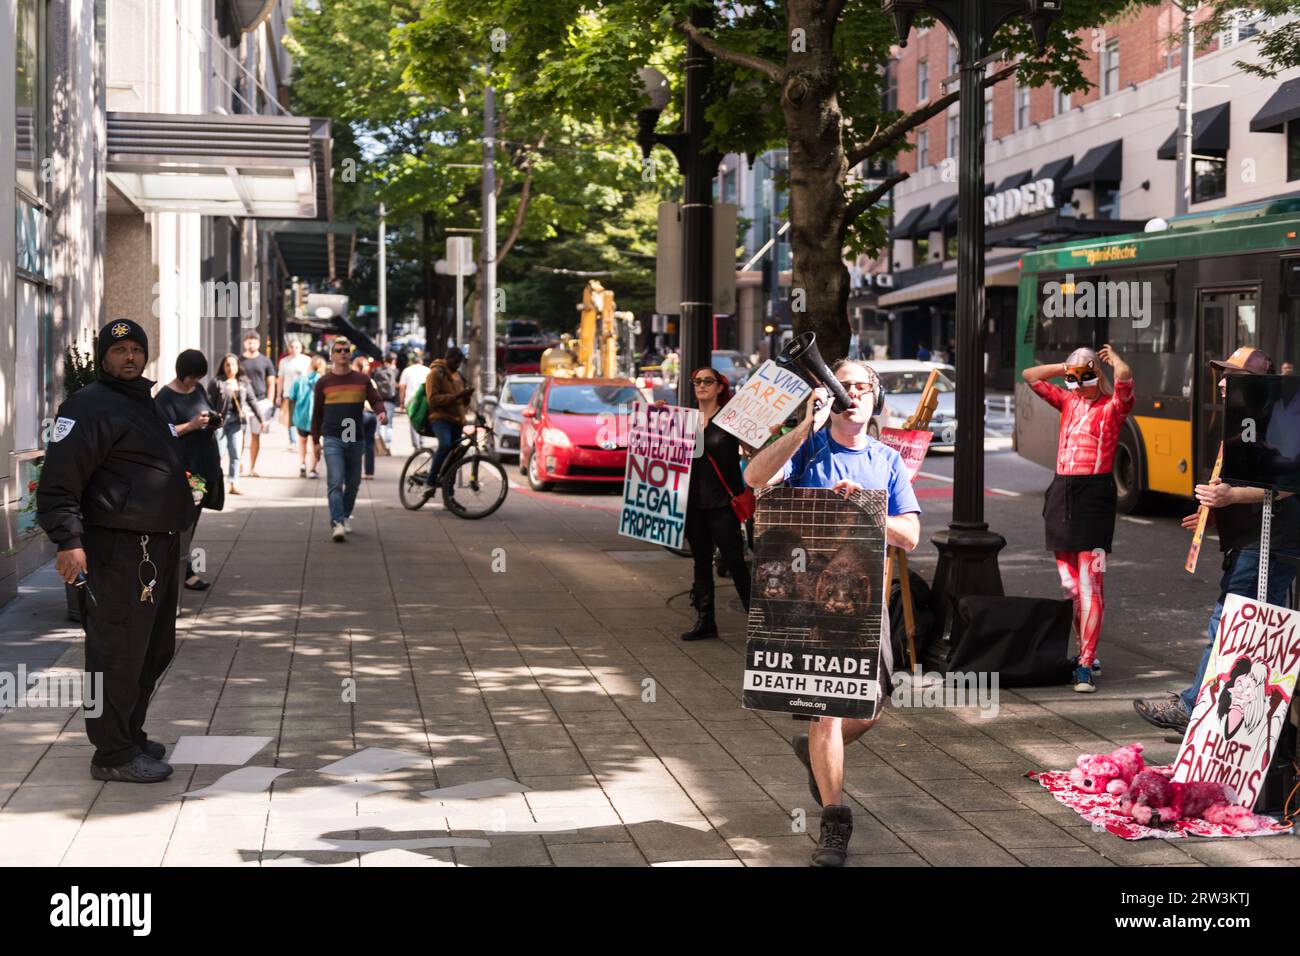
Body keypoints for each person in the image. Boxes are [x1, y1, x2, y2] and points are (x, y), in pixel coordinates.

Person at [744, 359, 921, 868]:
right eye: (846, 386)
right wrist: (807, 424)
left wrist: (868, 510)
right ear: (830, 394)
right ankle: (834, 823)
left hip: (865, 607)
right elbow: (756, 478)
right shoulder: (809, 449)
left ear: (875, 399)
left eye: (865, 387)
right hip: (811, 604)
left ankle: (818, 754)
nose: (856, 395)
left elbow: (909, 534)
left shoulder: (887, 460)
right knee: (827, 710)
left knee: (870, 707)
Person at [36, 319, 196, 783]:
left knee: (152, 648)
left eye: (136, 349)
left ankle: (128, 732)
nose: (129, 357)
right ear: (104, 356)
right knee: (115, 652)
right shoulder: (85, 407)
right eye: (119, 349)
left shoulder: (142, 402)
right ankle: (111, 753)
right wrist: (68, 540)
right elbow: (58, 482)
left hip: (157, 549)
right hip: (117, 551)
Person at [1134, 347, 1300, 734]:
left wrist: (1229, 498)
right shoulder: (1246, 417)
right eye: (1223, 375)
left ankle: (1198, 709)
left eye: (1231, 376)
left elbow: (1289, 485)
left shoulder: (1282, 419)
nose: (1222, 383)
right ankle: (1220, 713)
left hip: (1271, 542)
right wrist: (1214, 514)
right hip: (1255, 539)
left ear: (1254, 382)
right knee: (1245, 627)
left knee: (1233, 624)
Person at [1021, 344, 1133, 693]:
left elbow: (1125, 382)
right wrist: (1067, 367)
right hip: (1062, 494)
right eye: (1072, 378)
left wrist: (1110, 364)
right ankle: (1087, 654)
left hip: (1094, 498)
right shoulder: (1067, 401)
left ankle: (1085, 661)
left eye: (1083, 376)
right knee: (1070, 588)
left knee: (1090, 585)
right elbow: (1029, 376)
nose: (1077, 383)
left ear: (1096, 374)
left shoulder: (1112, 407)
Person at [681, 367, 752, 641]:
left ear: (720, 387)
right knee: (700, 562)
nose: (701, 386)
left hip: (723, 504)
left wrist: (765, 432)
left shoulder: (730, 418)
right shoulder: (684, 420)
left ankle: (757, 622)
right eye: (697, 381)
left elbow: (752, 446)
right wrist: (658, 416)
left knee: (735, 561)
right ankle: (705, 620)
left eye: (707, 381)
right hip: (694, 505)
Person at [155, 349, 224, 591]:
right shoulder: (165, 397)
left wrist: (214, 421)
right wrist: (192, 425)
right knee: (183, 523)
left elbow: (208, 411)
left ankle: (180, 568)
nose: (195, 382)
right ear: (182, 373)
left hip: (204, 465)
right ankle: (181, 571)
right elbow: (162, 433)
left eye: (199, 377)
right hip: (183, 469)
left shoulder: (199, 390)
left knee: (191, 522)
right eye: (192, 377)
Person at [311, 337, 388, 541]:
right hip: (332, 436)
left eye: (346, 349)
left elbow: (376, 399)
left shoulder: (361, 380)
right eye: (339, 350)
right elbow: (317, 413)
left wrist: (381, 412)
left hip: (355, 435)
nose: (343, 353)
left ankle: (344, 516)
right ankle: (337, 522)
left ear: (351, 353)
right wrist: (314, 442)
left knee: (352, 483)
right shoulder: (323, 382)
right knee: (335, 481)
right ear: (332, 355)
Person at [208, 354, 266, 496]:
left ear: (238, 366)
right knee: (219, 454)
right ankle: (215, 484)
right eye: (227, 365)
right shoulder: (216, 382)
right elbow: (208, 402)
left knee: (235, 454)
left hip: (237, 423)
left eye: (233, 364)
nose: (230, 367)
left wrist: (261, 419)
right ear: (223, 366)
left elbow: (252, 400)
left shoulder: (243, 382)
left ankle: (234, 484)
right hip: (220, 423)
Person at [422, 348, 473, 497]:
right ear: (448, 358)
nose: (457, 365)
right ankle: (430, 481)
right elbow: (432, 399)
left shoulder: (458, 376)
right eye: (455, 362)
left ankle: (449, 494)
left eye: (459, 363)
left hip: (457, 421)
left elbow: (461, 402)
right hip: (440, 418)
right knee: (445, 445)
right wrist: (456, 397)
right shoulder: (436, 374)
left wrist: (466, 397)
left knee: (456, 457)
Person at [238, 332, 276, 477]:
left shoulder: (266, 361)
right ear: (244, 343)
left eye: (254, 342)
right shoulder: (239, 360)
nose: (251, 344)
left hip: (261, 402)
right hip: (243, 402)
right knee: (239, 434)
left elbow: (271, 382)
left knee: (256, 435)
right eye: (249, 342)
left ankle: (252, 468)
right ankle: (239, 462)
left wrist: (270, 402)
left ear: (259, 343)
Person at [289, 354, 326, 478]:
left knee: (302, 441)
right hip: (318, 418)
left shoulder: (300, 379)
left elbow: (292, 396)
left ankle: (302, 463)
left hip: (301, 416)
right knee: (315, 442)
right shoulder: (324, 381)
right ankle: (313, 469)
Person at [277, 338, 311, 450]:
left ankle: (303, 439)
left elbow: (312, 377)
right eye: (292, 347)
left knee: (303, 417)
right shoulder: (284, 361)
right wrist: (278, 395)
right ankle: (293, 441)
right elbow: (280, 379)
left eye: (297, 347)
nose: (294, 349)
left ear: (301, 348)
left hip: (304, 394)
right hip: (289, 393)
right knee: (291, 418)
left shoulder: (307, 360)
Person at [352, 355, 379, 480]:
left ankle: (354, 471)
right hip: (371, 415)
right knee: (369, 444)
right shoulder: (371, 381)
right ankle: (369, 472)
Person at [398, 350, 429, 449]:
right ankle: (422, 441)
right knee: (423, 420)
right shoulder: (427, 370)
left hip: (410, 401)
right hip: (424, 401)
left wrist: (401, 402)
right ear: (421, 362)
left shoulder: (407, 370)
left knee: (413, 422)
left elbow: (402, 387)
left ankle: (416, 445)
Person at [371, 352, 400, 449]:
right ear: (393, 361)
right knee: (389, 423)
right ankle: (387, 445)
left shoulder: (376, 370)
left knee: (378, 422)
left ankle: (378, 444)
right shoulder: (394, 371)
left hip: (378, 399)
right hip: (390, 400)